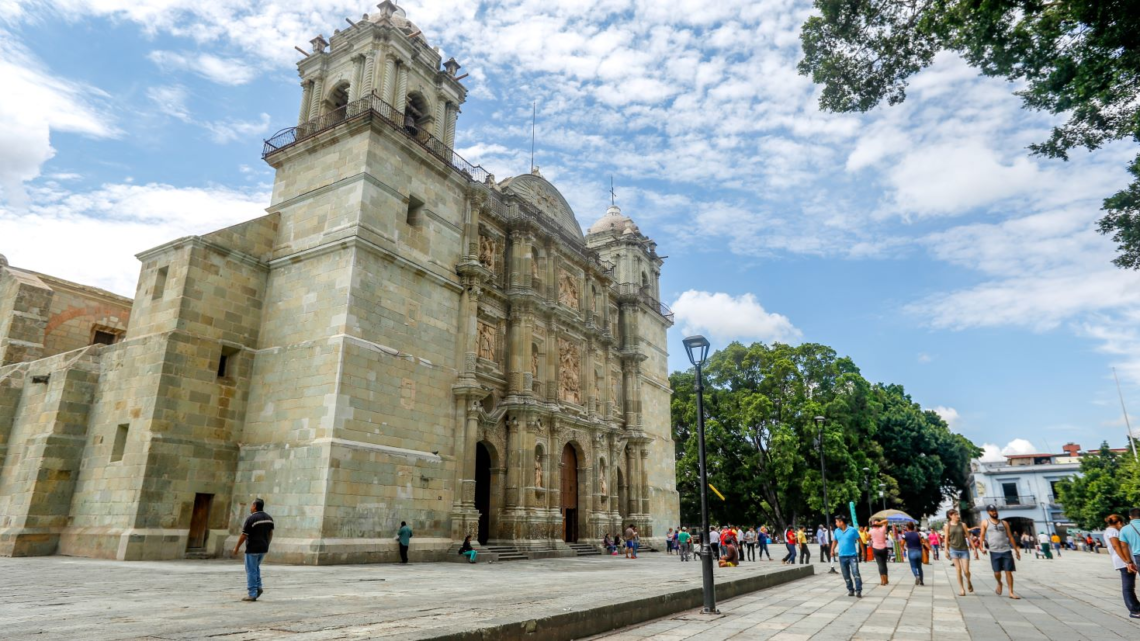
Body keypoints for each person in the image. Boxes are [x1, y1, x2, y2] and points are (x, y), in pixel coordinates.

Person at [231, 498, 274, 602]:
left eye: (251, 505)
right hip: (263, 548)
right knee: (255, 568)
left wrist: (236, 547)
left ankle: (252, 593)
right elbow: (271, 533)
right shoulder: (269, 518)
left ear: (254, 506)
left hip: (253, 548)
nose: (250, 508)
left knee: (250, 570)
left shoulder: (251, 518)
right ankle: (258, 587)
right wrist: (267, 544)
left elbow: (244, 535)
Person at [979, 504, 1021, 599]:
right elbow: (982, 535)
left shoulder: (1004, 523)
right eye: (992, 511)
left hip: (1006, 550)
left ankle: (1011, 592)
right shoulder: (985, 522)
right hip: (994, 551)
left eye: (995, 510)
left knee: (1008, 572)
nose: (994, 512)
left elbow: (1010, 536)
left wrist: (1016, 550)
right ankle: (999, 583)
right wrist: (981, 547)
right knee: (997, 572)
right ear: (988, 512)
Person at [1103, 513, 1140, 619]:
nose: (1122, 525)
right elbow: (1116, 546)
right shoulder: (1113, 531)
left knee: (1129, 586)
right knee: (1128, 586)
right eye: (1122, 523)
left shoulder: (1108, 531)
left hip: (1122, 561)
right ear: (1119, 522)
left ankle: (1136, 607)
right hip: (1123, 561)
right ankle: (1134, 609)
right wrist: (1127, 561)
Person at [942, 508, 974, 596]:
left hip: (964, 549)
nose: (958, 516)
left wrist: (974, 549)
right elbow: (946, 539)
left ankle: (968, 581)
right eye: (955, 515)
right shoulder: (947, 526)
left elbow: (968, 536)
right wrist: (946, 550)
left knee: (966, 571)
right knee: (958, 569)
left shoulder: (963, 525)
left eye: (958, 514)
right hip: (953, 549)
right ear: (950, 516)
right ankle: (962, 589)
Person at [830, 514, 863, 598]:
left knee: (856, 573)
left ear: (841, 522)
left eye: (837, 522)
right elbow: (835, 541)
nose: (836, 523)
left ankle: (858, 590)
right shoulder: (837, 531)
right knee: (846, 574)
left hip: (852, 556)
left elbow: (859, 540)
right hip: (842, 556)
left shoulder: (852, 530)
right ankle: (850, 589)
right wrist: (832, 550)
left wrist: (863, 551)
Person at [870, 519, 890, 585]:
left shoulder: (871, 531)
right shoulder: (882, 529)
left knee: (880, 564)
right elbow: (886, 521)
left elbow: (867, 538)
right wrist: (880, 522)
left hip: (876, 548)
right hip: (884, 548)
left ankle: (882, 580)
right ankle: (886, 579)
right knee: (884, 564)